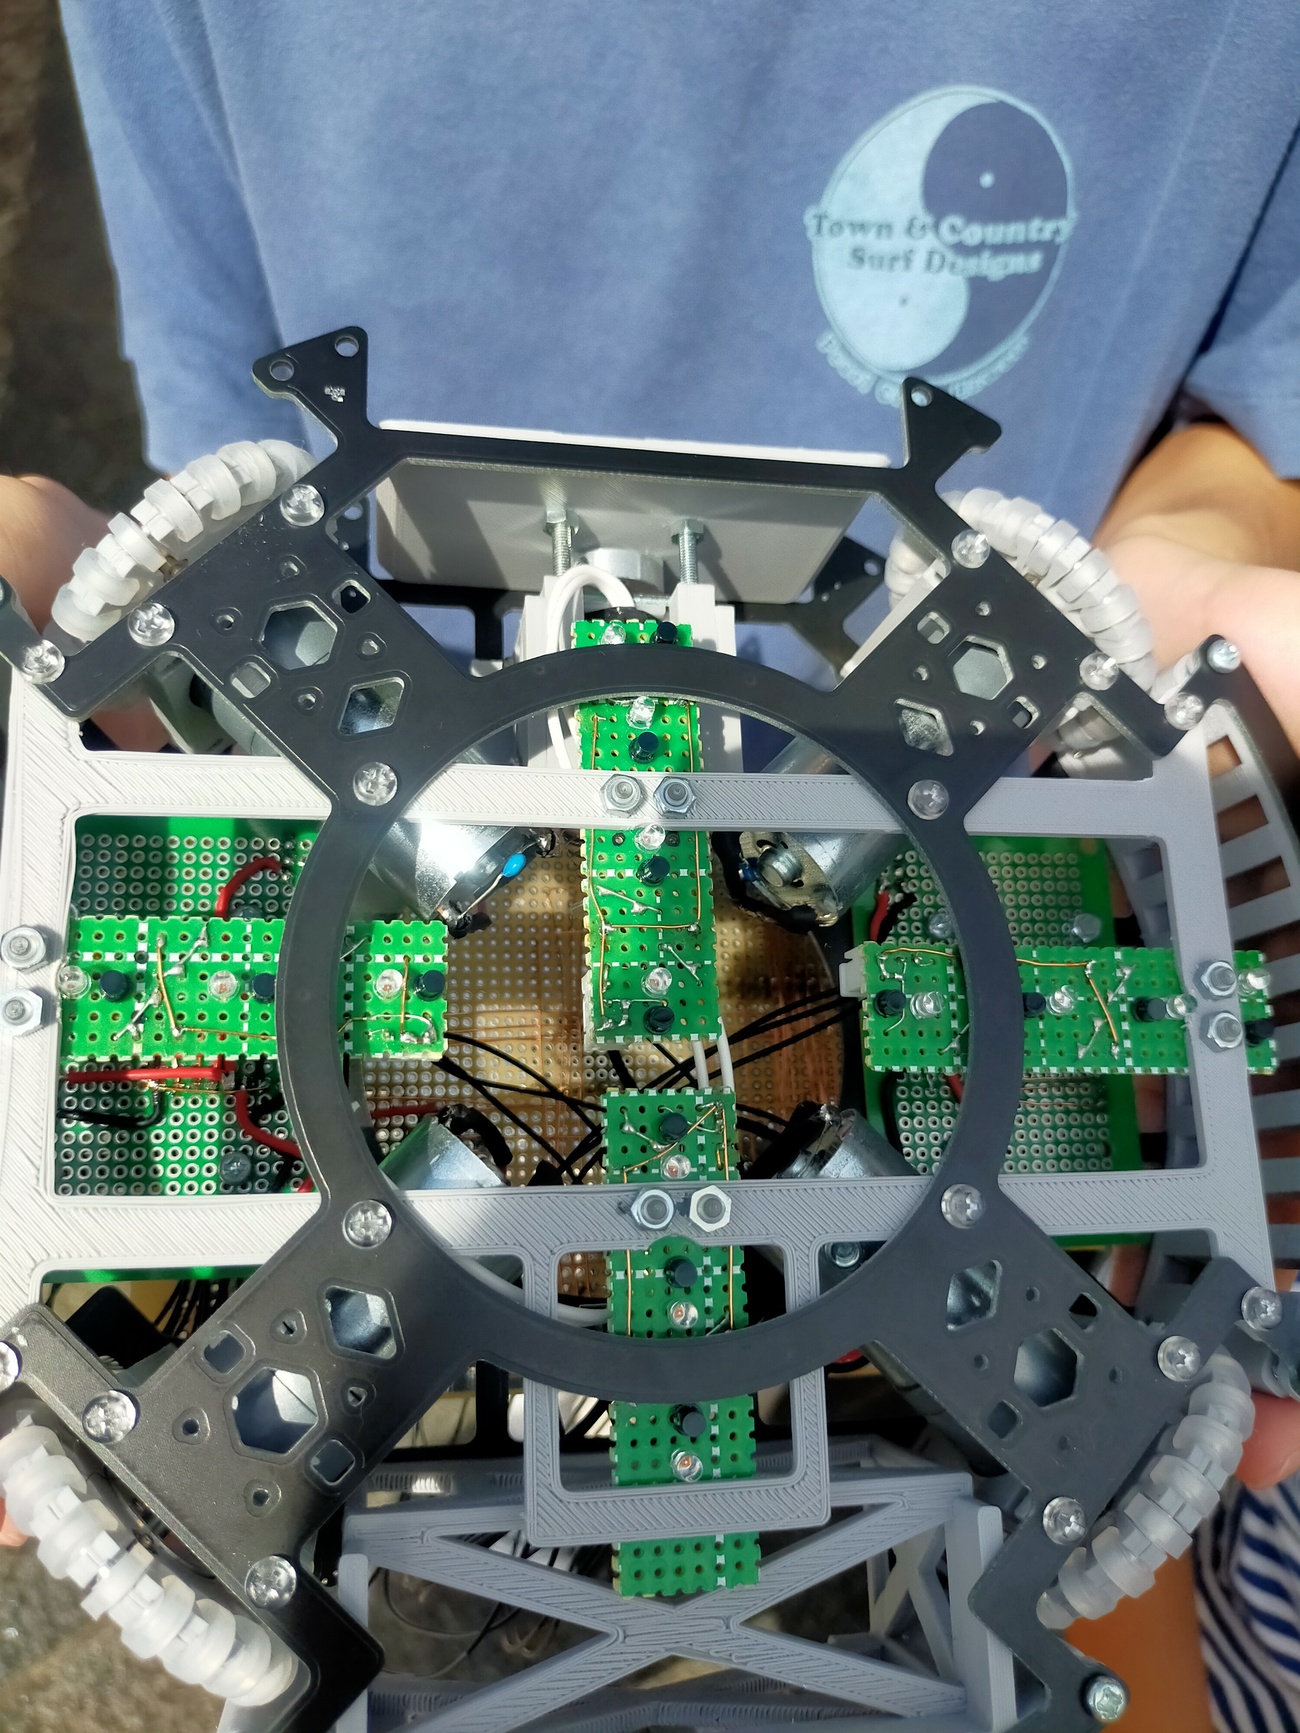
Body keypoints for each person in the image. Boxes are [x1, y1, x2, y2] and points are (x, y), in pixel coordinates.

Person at [2, 3, 1300, 1717]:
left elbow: (1255, 422)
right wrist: (94, 612)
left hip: (941, 820)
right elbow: (215, 461)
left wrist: (1201, 558)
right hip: (657, 828)